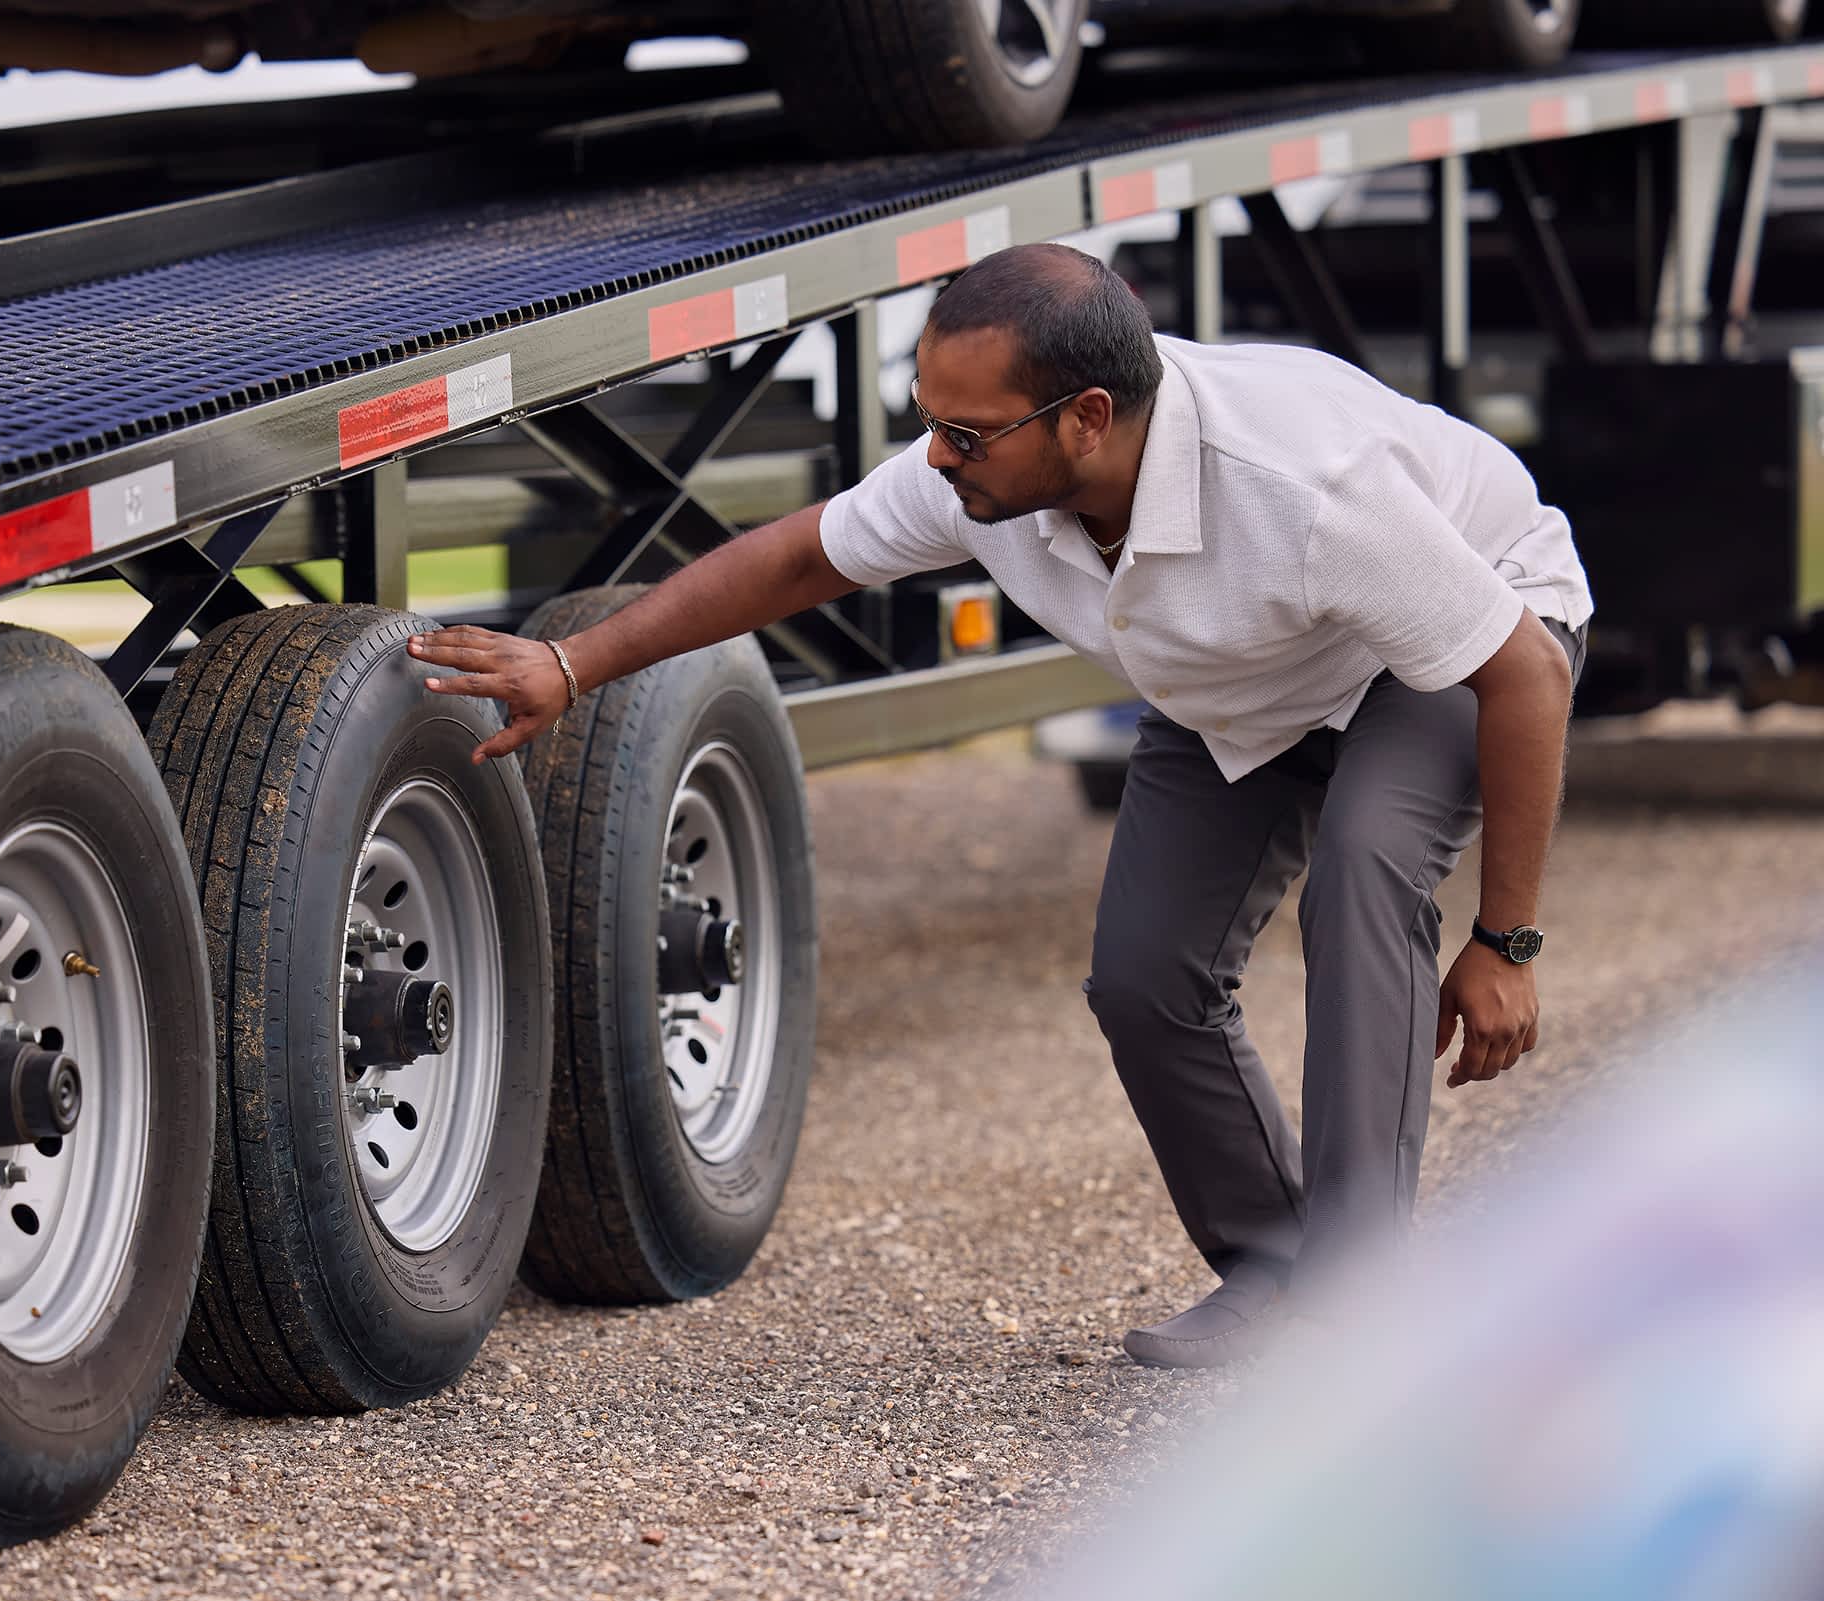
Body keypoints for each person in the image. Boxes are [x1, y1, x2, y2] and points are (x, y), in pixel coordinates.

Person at [402, 241, 1592, 1368]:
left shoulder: (1306, 483)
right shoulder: (983, 473)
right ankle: (1275, 1268)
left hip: (1461, 638)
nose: (937, 457)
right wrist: (572, 665)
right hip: (1245, 672)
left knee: (1364, 873)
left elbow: (1523, 673)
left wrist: (1508, 940)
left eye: (963, 432)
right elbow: (798, 558)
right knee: (1142, 973)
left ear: (1086, 418)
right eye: (928, 421)